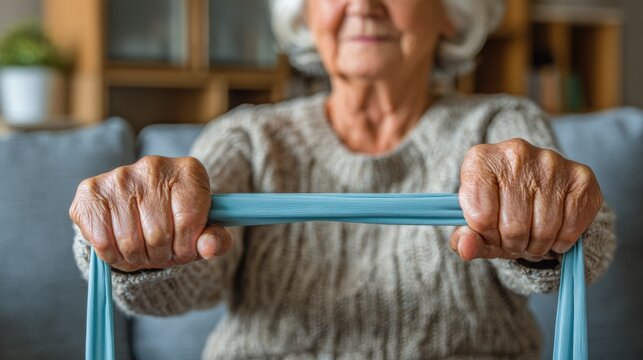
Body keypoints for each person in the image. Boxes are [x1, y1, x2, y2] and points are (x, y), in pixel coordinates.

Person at [70, 0, 615, 358]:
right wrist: (130, 238)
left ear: (451, 12)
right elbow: (185, 284)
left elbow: (583, 251)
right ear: (305, 15)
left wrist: (555, 218)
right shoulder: (249, 138)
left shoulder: (498, 126)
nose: (363, 4)